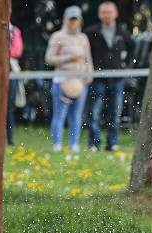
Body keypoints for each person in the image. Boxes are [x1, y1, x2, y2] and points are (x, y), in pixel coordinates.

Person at [84, 1, 134, 152]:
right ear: (99, 15)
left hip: (117, 78)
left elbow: (133, 47)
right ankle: (94, 143)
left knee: (115, 113)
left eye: (109, 12)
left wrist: (126, 63)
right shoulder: (90, 33)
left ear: (115, 14)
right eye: (104, 12)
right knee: (95, 113)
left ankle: (112, 143)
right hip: (97, 78)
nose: (107, 15)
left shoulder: (122, 32)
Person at [45, 6, 93, 152]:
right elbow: (49, 58)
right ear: (65, 20)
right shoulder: (57, 37)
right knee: (60, 113)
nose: (73, 23)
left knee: (76, 115)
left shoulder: (83, 38)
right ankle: (57, 144)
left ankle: (74, 144)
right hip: (62, 80)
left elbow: (88, 60)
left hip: (80, 81)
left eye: (76, 20)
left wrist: (88, 76)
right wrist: (67, 58)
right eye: (71, 20)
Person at [6, 23, 23, 146]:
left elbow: (17, 51)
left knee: (8, 108)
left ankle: (10, 139)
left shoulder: (14, 30)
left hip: (11, 72)